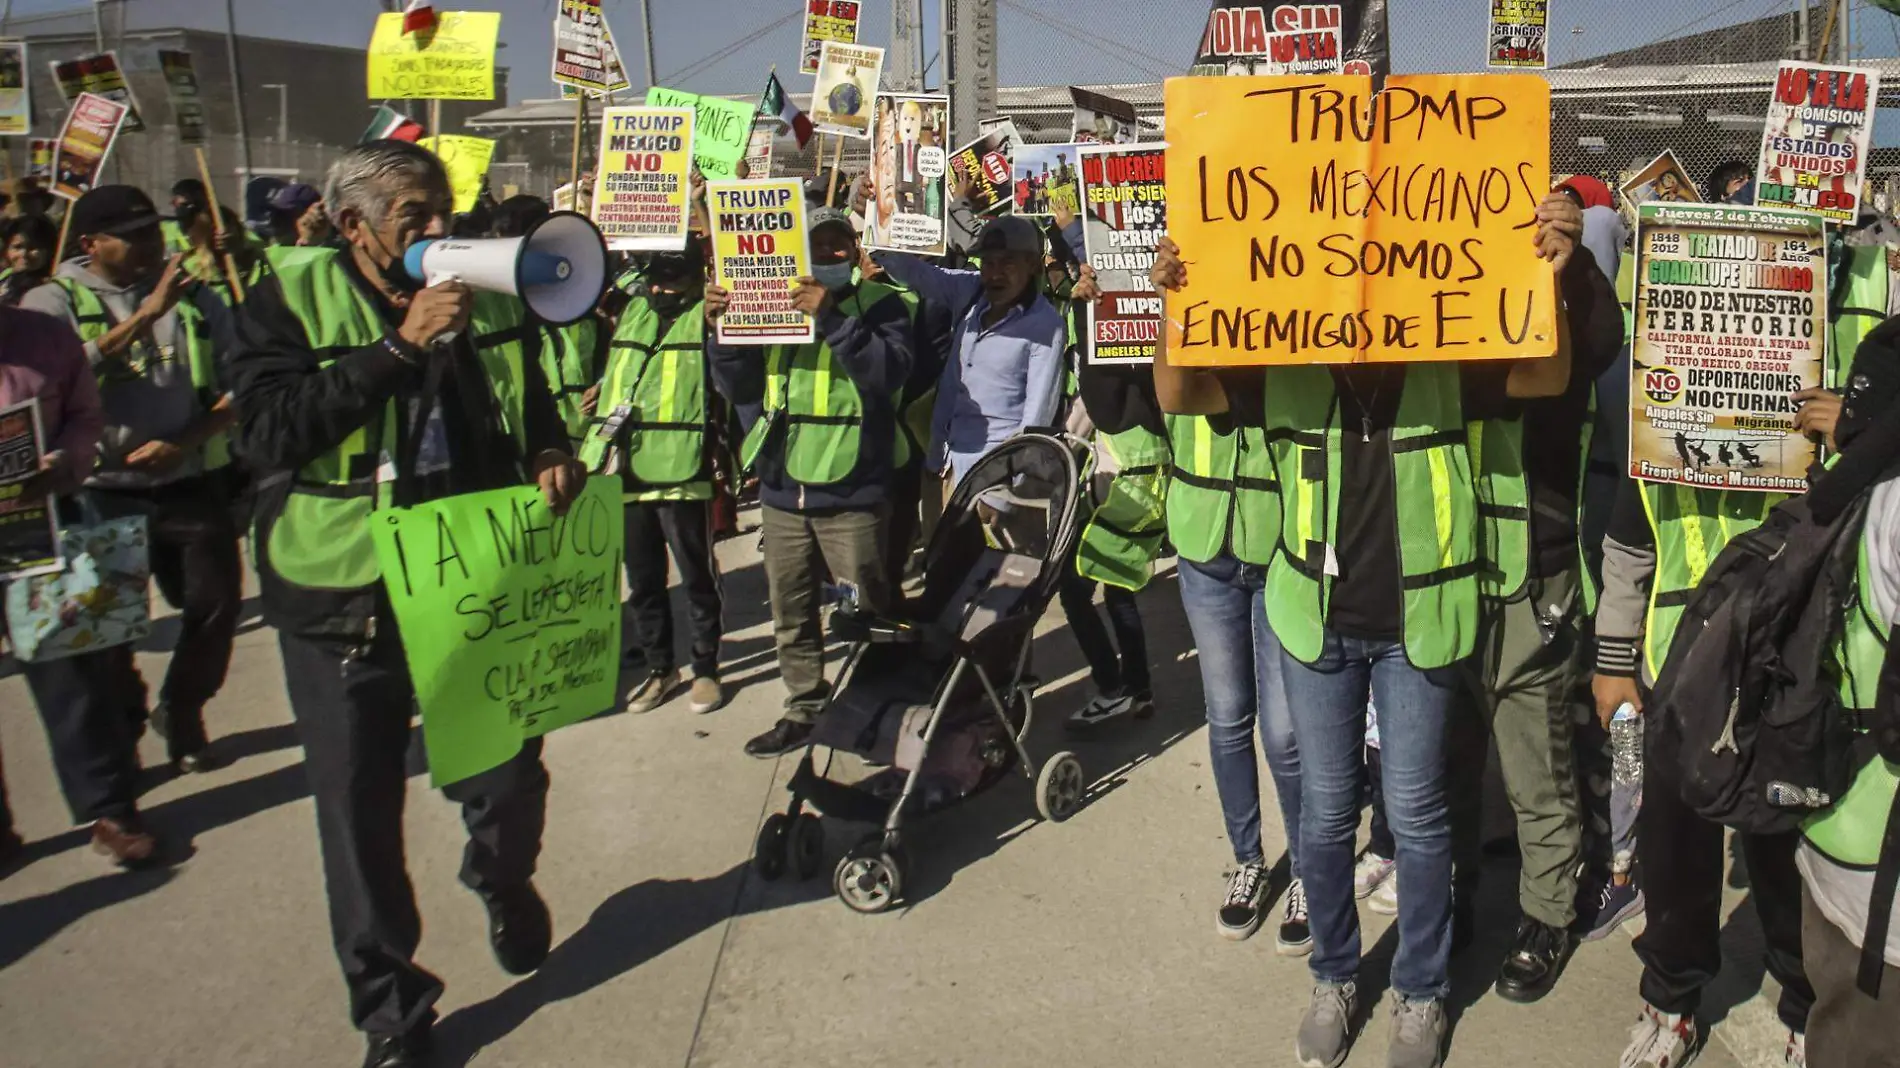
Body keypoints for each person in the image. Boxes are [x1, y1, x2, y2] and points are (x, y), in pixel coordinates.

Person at [1151, 192, 1584, 1068]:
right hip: (1313, 625)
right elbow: (1182, 390)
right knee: (1322, 814)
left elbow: (1544, 376)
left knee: (1418, 817)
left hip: (1419, 625)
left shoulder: (1449, 348)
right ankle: (1335, 976)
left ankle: (1420, 995)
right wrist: (1175, 304)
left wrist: (1550, 275)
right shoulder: (1281, 351)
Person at [227, 141, 583, 1068]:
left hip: (469, 582)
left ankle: (502, 876)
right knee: (357, 814)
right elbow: (268, 431)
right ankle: (394, 1011)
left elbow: (530, 399)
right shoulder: (286, 300)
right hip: (342, 596)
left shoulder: (486, 297)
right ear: (353, 228)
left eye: (443, 213)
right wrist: (399, 348)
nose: (437, 234)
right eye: (412, 221)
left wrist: (549, 451)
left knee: (507, 776)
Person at [1449, 188, 1623, 1005]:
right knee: (1441, 758)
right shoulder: (1418, 285)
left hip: (1533, 557)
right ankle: (1448, 890)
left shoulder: (1557, 277)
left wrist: (1573, 262)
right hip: (1433, 565)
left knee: (1535, 754)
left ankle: (1547, 912)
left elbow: (1595, 342)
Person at [20, 185, 243, 774]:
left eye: (155, 230)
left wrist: (186, 440)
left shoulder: (195, 298)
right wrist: (147, 316)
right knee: (110, 631)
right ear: (91, 243)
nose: (153, 243)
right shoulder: (51, 303)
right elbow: (52, 382)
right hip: (98, 492)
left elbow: (245, 378)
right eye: (135, 234)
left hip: (186, 479)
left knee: (215, 604)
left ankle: (184, 708)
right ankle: (124, 722)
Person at [708, 206, 916, 758]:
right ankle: (804, 707)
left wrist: (830, 318)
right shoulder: (771, 301)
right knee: (791, 611)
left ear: (854, 250)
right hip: (785, 487)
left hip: (854, 489)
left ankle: (875, 710)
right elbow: (738, 384)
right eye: (816, 246)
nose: (827, 256)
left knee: (868, 612)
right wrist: (724, 333)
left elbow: (889, 372)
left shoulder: (884, 304)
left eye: (838, 246)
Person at [0, 300, 160, 867]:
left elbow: (85, 414)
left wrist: (64, 460)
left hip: (33, 531)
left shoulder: (46, 337)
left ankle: (110, 810)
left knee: (70, 670)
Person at [579, 241, 726, 716]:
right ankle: (661, 669)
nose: (662, 288)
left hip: (684, 469)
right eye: (656, 278)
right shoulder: (634, 310)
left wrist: (706, 209)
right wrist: (600, 391)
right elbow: (623, 363)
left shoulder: (709, 314)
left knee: (697, 577)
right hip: (626, 466)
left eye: (673, 279)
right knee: (642, 580)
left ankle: (705, 669)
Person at [874, 215, 1067, 489]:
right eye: (988, 263)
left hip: (994, 478)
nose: (995, 273)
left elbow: (1037, 416)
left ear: (1033, 265)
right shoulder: (969, 290)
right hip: (943, 464)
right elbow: (914, 273)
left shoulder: (1046, 326)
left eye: (1007, 263)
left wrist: (1010, 482)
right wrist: (878, 217)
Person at [0, 213, 57, 305]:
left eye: (33, 247)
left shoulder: (49, 289)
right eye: (17, 247)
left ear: (48, 251)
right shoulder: (5, 277)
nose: (24, 254)